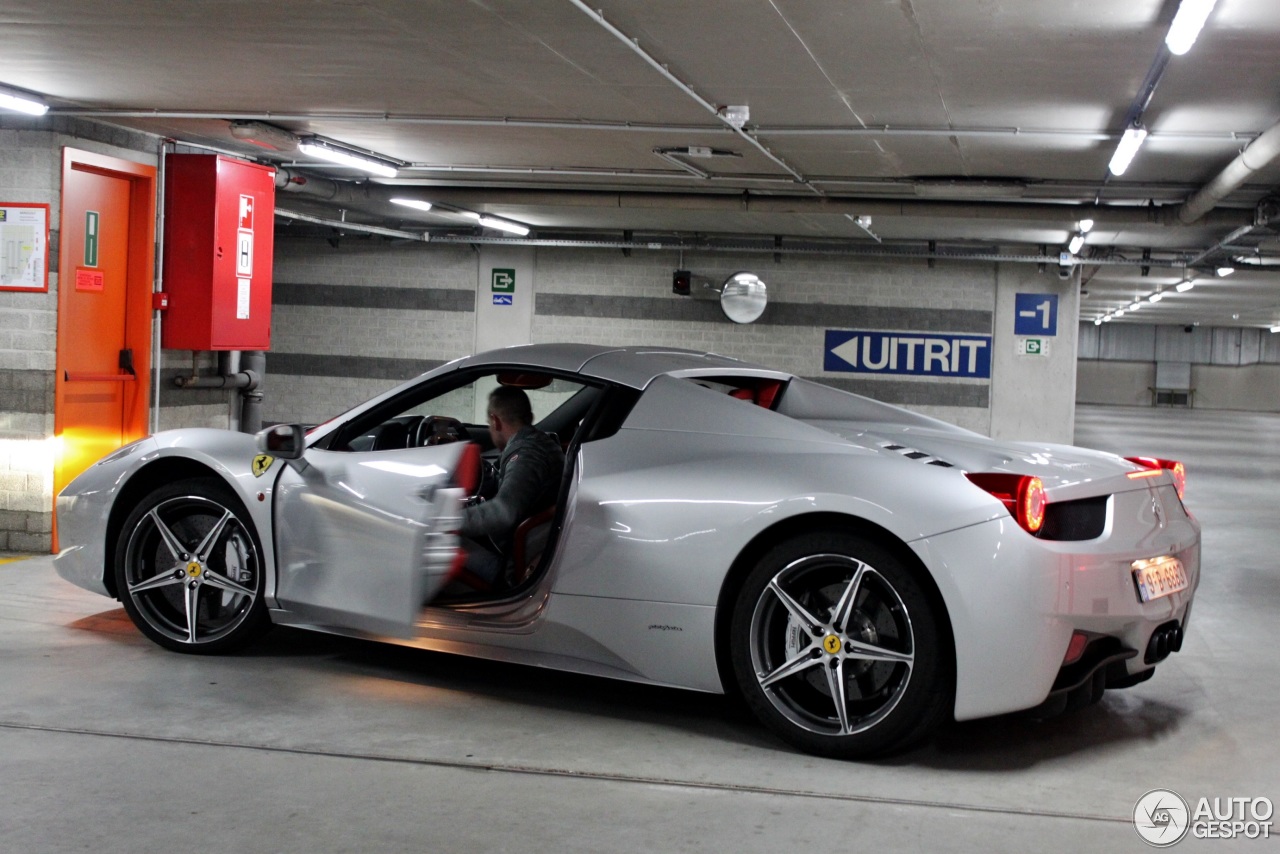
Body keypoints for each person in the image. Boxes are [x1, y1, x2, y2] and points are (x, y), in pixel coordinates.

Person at [459, 385, 565, 586]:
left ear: (495, 421)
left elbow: (504, 512)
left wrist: (444, 521)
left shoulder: (527, 454)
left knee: (433, 542)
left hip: (510, 565)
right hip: (520, 548)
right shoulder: (541, 443)